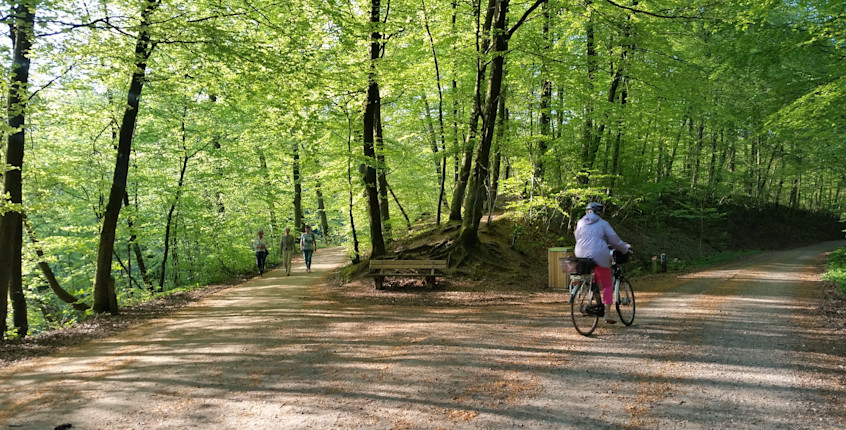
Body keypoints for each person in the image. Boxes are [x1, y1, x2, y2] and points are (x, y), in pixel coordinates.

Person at [574, 202, 631, 324]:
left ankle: (592, 296)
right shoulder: (603, 224)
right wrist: (625, 248)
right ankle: (607, 314)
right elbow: (614, 241)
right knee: (607, 284)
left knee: (591, 277)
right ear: (599, 212)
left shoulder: (580, 222)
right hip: (598, 254)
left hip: (580, 254)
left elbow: (577, 237)